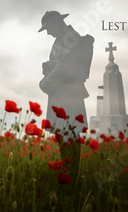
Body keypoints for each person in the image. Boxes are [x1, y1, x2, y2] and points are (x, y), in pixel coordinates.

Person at [38, 11, 94, 186]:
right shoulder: (60, 40)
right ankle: (69, 172)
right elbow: (58, 65)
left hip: (68, 94)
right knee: (63, 134)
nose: (47, 32)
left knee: (69, 133)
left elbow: (65, 66)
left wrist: (45, 83)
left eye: (48, 28)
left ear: (57, 23)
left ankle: (72, 176)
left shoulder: (71, 38)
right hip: (60, 92)